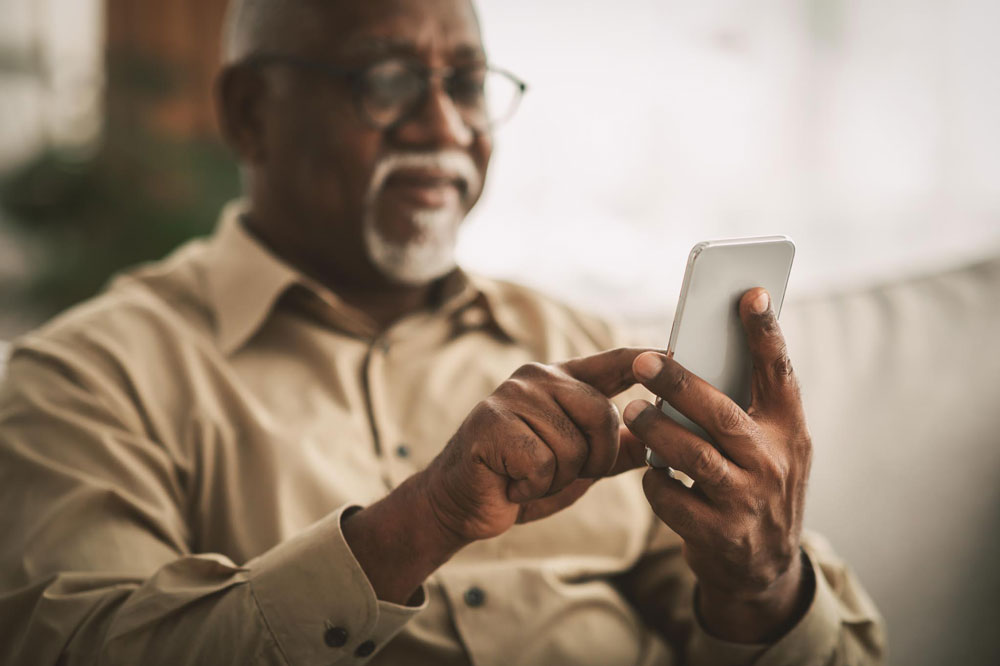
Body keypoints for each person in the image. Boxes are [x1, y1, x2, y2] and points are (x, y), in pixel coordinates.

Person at [0, 0, 885, 663]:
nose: (445, 126)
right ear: (248, 114)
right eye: (383, 81)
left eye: (465, 83)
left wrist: (763, 582)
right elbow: (80, 646)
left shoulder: (590, 345)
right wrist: (423, 521)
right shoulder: (84, 377)